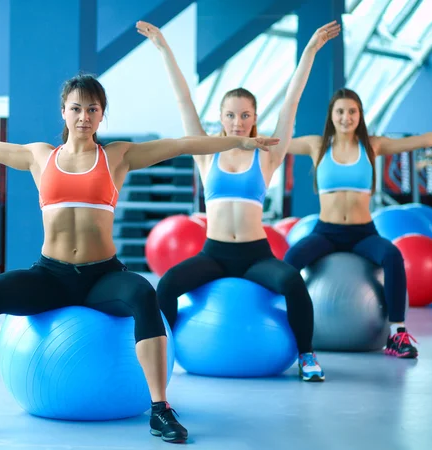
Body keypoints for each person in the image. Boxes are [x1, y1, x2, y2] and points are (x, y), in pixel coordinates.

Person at [0, 74, 280, 443]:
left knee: (145, 295)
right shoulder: (39, 156)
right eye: (76, 108)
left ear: (102, 115)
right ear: (63, 112)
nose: (84, 117)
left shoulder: (117, 156)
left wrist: (239, 143)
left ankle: (160, 408)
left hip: (103, 277)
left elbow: (181, 145)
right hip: (50, 275)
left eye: (92, 109)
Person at [137, 20, 341, 382]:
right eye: (230, 115)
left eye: (245, 115)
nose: (237, 121)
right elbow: (183, 99)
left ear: (254, 119)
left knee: (294, 284)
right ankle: (161, 356)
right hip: (213, 254)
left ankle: (306, 355)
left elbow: (291, 101)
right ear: (220, 118)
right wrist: (164, 48)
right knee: (166, 286)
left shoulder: (267, 154)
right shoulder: (204, 153)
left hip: (254, 256)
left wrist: (309, 50)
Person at [284, 88, 432, 359]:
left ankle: (397, 334)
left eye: (351, 111)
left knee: (392, 256)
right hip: (326, 231)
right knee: (291, 260)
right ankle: (285, 326)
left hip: (362, 233)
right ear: (331, 116)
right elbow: (277, 142)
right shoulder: (316, 145)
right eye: (340, 112)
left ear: (359, 115)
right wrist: (240, 135)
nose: (346, 117)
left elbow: (422, 140)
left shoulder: (372, 145)